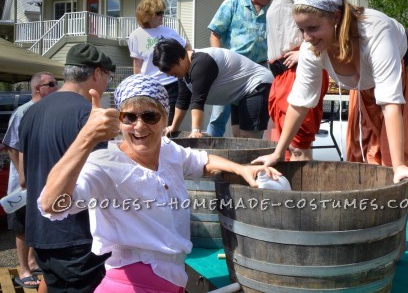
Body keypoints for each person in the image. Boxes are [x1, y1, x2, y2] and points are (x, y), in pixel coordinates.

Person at [38, 74, 281, 292]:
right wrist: (86, 138)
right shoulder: (103, 163)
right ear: (119, 121)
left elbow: (203, 161)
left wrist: (241, 168)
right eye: (129, 116)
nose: (139, 125)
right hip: (130, 282)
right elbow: (51, 205)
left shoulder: (168, 151)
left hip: (170, 280)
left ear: (165, 119)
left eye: (150, 116)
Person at [253, 0, 408, 188]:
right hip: (366, 86)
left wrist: (399, 165)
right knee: (363, 155)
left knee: (400, 159)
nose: (306, 38)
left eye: (313, 28)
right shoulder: (311, 48)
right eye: (301, 30)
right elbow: (299, 103)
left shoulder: (376, 32)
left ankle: (394, 204)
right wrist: (278, 153)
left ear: (336, 17)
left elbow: (390, 103)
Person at [18, 44, 116, 292]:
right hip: (78, 236)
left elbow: (26, 170)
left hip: (40, 231)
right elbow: (100, 180)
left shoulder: (31, 112)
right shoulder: (90, 117)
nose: (106, 82)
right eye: (107, 76)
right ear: (96, 73)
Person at [262, 0, 329, 161]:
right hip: (284, 73)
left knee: (297, 145)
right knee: (291, 146)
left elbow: (317, 7)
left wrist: (306, 51)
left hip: (294, 71)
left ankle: (300, 196)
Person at [153, 38, 274, 139]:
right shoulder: (184, 71)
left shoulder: (201, 63)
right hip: (240, 95)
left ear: (179, 58)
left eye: (168, 69)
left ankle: (258, 167)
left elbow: (197, 100)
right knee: (237, 134)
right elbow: (182, 101)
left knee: (248, 137)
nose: (168, 74)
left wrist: (196, 130)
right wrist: (173, 127)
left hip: (257, 84)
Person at [2, 72, 58, 289]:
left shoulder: (48, 110)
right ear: (38, 88)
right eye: (51, 84)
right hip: (24, 183)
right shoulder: (23, 112)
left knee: (38, 221)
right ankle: (24, 268)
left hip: (42, 180)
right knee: (22, 226)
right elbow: (11, 146)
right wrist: (23, 175)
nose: (56, 87)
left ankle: (33, 262)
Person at [206, 0, 276, 137]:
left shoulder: (272, 10)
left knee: (250, 118)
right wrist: (220, 63)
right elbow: (215, 34)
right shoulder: (232, 4)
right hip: (232, 70)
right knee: (218, 116)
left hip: (258, 71)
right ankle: (210, 157)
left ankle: (240, 154)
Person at [129, 0, 191, 125]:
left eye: (163, 12)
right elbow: (137, 65)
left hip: (173, 82)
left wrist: (185, 72)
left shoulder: (169, 32)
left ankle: (167, 145)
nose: (162, 16)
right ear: (147, 14)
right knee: (152, 121)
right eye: (159, 13)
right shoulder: (136, 35)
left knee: (169, 122)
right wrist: (137, 87)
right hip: (149, 86)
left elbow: (187, 48)